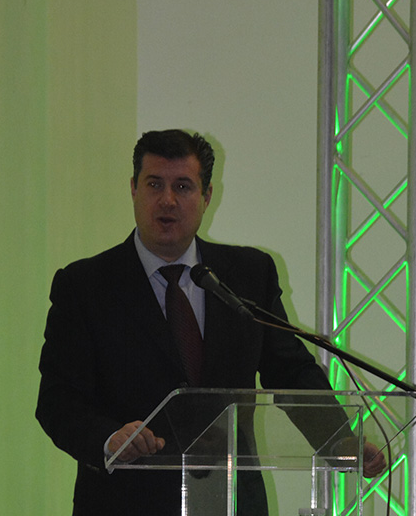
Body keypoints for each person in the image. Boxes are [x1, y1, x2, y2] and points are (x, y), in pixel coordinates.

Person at [36, 129, 386, 515]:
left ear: (206, 197)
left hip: (233, 500)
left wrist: (339, 441)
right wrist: (108, 439)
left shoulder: (248, 274)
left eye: (183, 186)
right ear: (133, 189)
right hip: (125, 500)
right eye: (154, 184)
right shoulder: (85, 286)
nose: (167, 200)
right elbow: (58, 399)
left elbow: (290, 371)